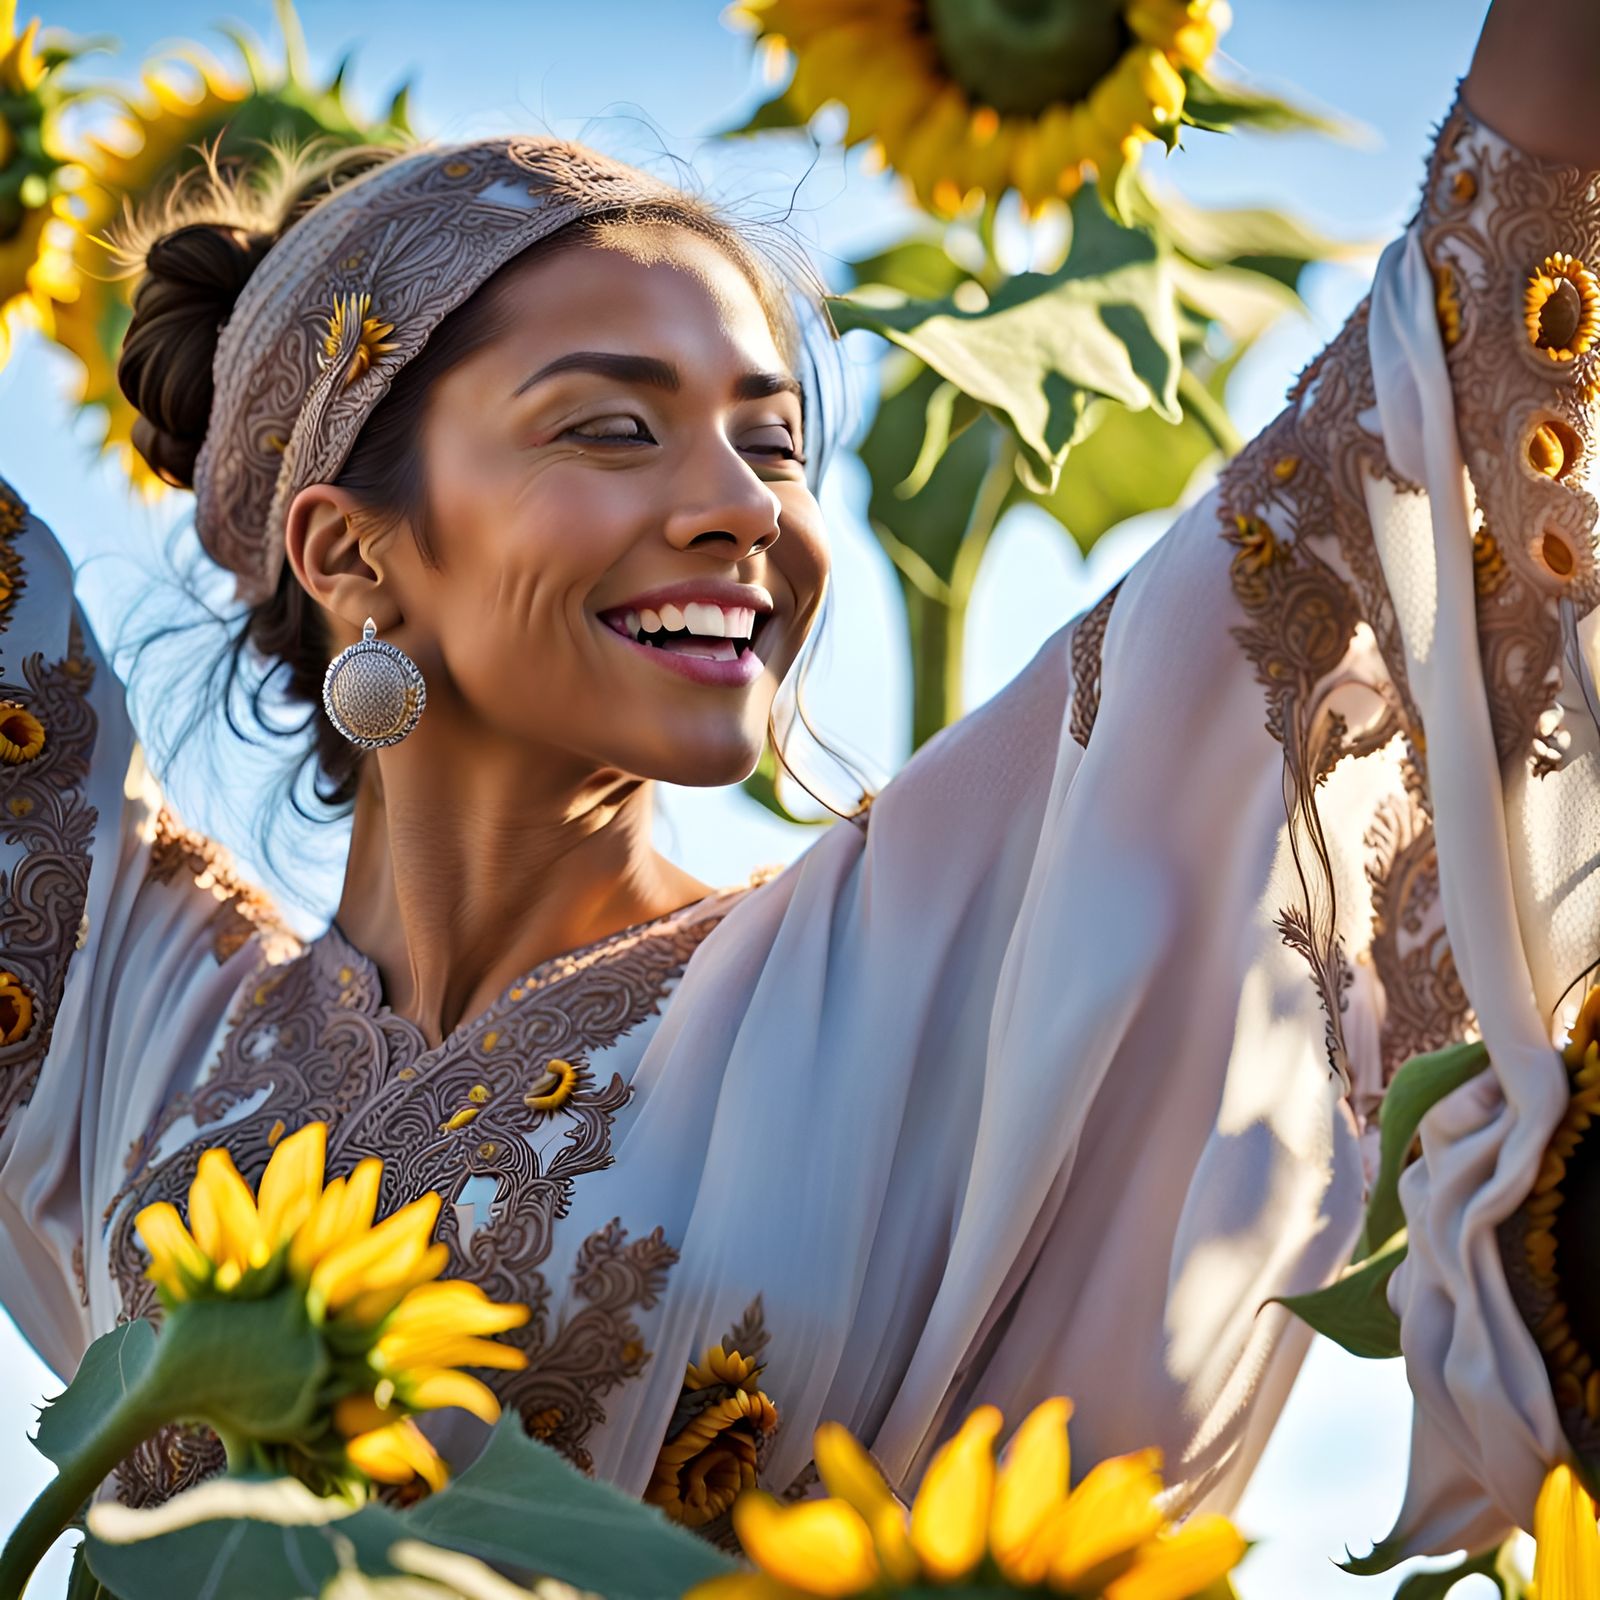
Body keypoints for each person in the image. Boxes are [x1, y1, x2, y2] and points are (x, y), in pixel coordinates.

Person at [0, 0, 1592, 1556]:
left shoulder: (902, 964)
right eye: (613, 428)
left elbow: (1418, 412)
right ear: (351, 552)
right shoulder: (141, 1034)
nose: (742, 508)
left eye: (771, 446)